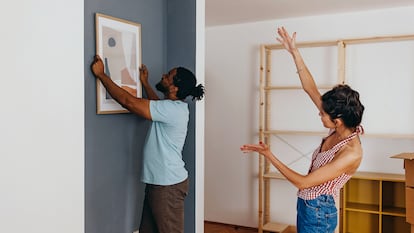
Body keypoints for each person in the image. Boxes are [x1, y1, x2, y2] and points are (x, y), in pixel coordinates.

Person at [240, 27, 365, 233]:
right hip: (309, 206)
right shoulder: (340, 127)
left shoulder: (351, 152)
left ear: (338, 120)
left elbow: (303, 182)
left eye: (323, 114)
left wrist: (268, 154)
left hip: (319, 212)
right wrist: (294, 52)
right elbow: (310, 88)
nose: (319, 114)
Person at [91, 55, 205, 233]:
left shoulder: (172, 110)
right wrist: (145, 83)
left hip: (167, 186)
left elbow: (129, 102)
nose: (163, 76)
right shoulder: (172, 108)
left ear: (175, 87)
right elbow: (156, 105)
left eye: (168, 76)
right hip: (160, 183)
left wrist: (102, 75)